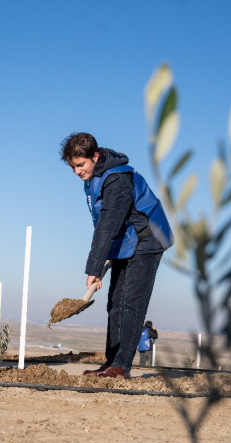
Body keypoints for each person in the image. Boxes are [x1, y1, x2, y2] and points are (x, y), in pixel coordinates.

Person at [60, 132, 173, 379]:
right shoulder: (94, 178)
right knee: (114, 304)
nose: (77, 171)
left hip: (147, 240)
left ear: (95, 156)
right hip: (127, 242)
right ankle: (111, 362)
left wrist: (93, 267)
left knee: (131, 304)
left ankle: (121, 366)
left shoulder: (117, 178)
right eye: (73, 167)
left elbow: (108, 225)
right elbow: (105, 223)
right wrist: (101, 265)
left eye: (81, 165)